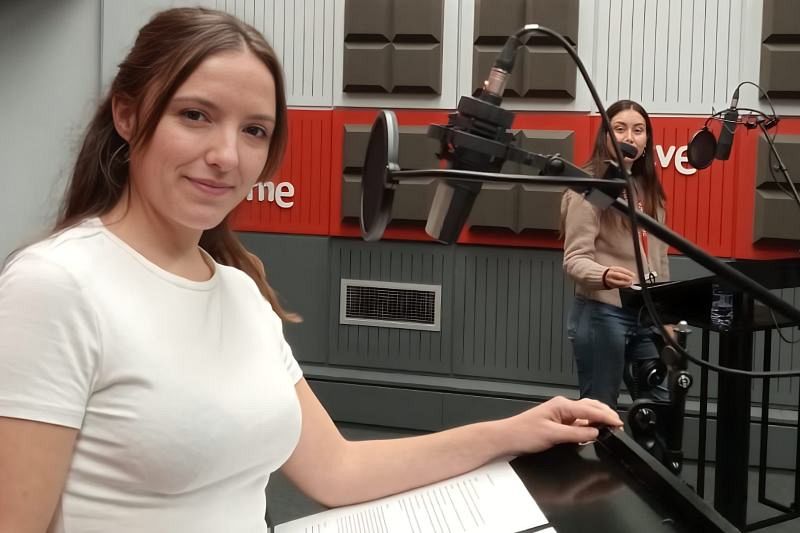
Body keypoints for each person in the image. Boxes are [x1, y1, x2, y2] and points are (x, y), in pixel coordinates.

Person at [0, 8, 622, 533]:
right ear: (128, 115)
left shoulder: (239, 291)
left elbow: (336, 470)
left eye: (254, 130)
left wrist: (513, 431)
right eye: (195, 115)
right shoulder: (56, 286)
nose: (226, 156)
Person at [560, 99, 670, 409]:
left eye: (638, 130)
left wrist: (666, 317)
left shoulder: (649, 189)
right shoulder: (590, 187)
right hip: (603, 313)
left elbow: (659, 258)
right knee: (599, 411)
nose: (629, 137)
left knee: (659, 407)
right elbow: (574, 259)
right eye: (619, 129)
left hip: (646, 314)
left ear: (647, 140)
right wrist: (605, 275)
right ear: (606, 137)